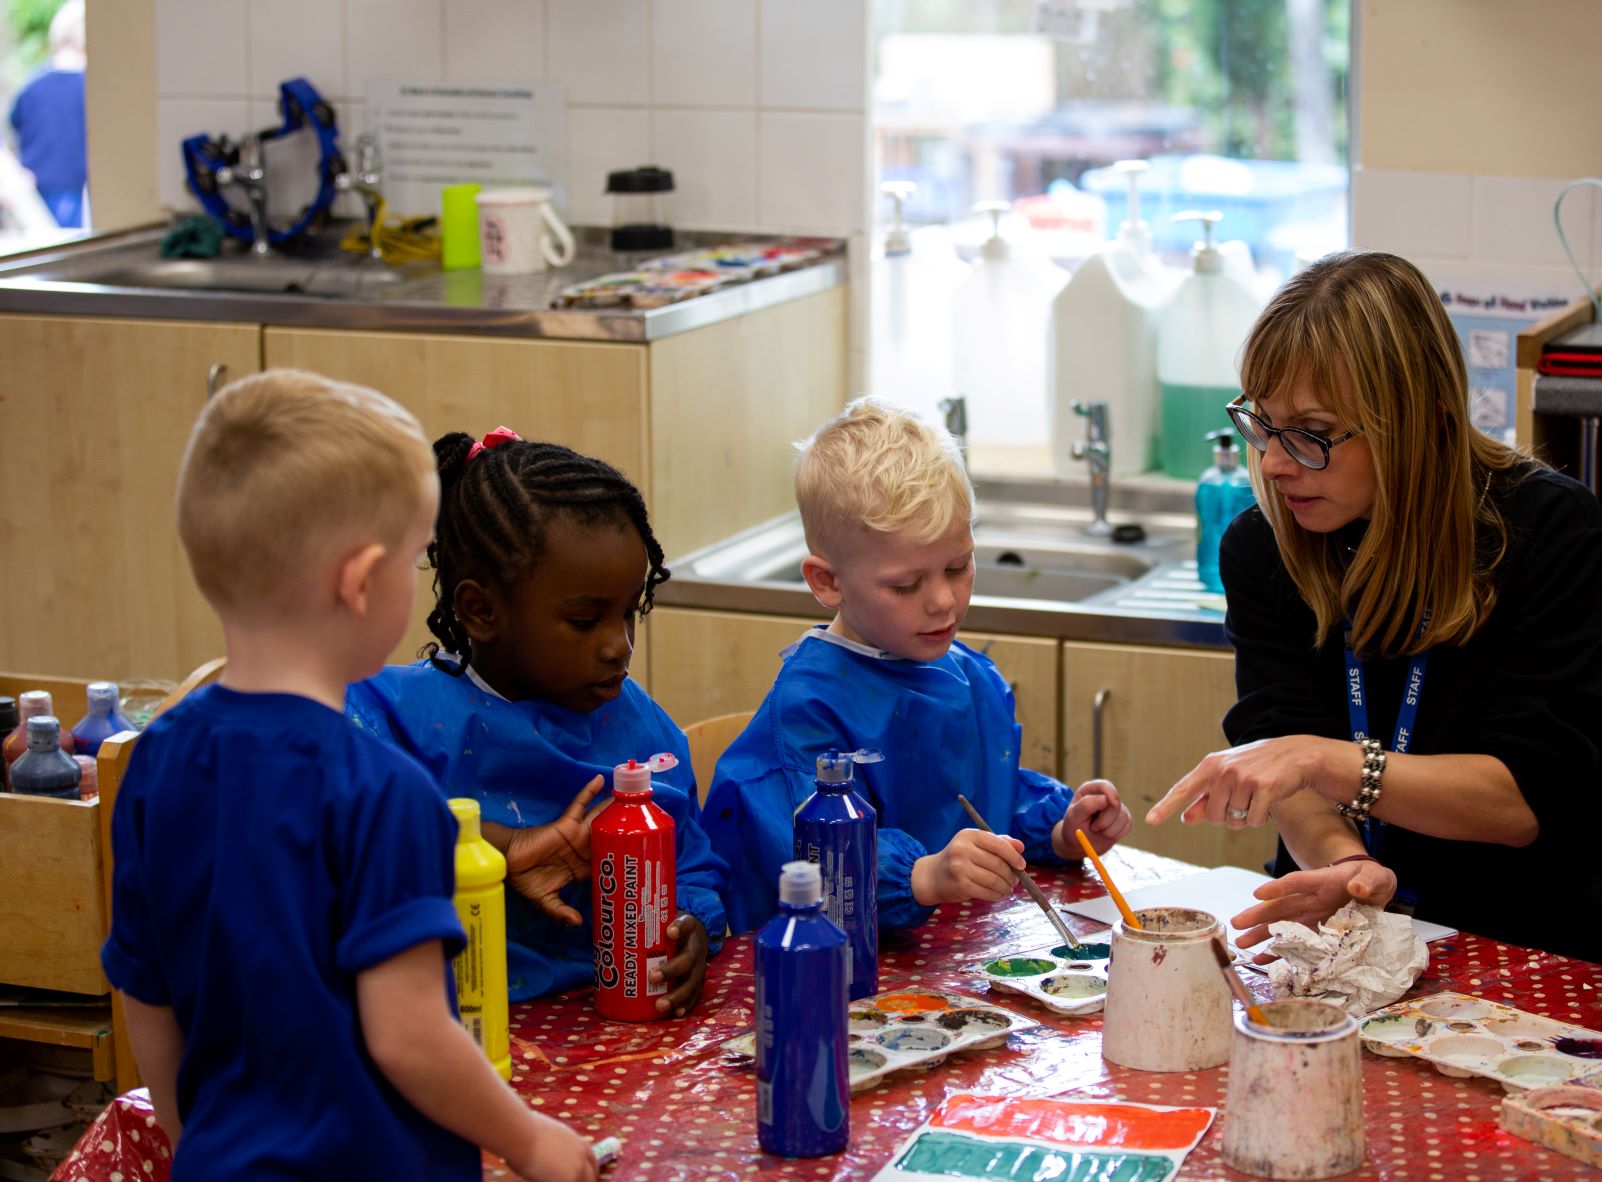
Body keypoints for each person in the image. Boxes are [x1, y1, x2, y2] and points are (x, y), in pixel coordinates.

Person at [101, 372, 600, 1180]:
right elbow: (409, 1036)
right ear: (360, 580)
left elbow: (146, 991)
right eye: (412, 560)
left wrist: (195, 1142)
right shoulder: (385, 790)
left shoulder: (155, 758)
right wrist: (528, 1137)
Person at [1145, 251, 1602, 964]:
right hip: (1345, 929)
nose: (1277, 463)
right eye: (1263, 423)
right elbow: (1284, 760)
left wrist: (1326, 760)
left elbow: (1523, 804)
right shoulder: (1264, 544)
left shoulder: (1547, 530)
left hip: (1529, 935)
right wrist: (1345, 865)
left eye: (1312, 433)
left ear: (1422, 421)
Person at [704, 398, 1133, 934]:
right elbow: (817, 863)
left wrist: (1061, 830)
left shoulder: (966, 674)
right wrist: (924, 876)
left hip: (950, 958)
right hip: (827, 974)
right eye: (906, 585)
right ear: (827, 582)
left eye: (958, 567)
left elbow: (985, 798)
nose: (943, 603)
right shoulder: (808, 709)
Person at [346, 427, 726, 1012]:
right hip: (454, 1037)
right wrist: (502, 846)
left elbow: (693, 864)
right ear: (481, 610)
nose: (619, 646)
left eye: (629, 613)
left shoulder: (643, 729)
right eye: (584, 621)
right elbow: (350, 845)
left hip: (618, 1026)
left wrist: (690, 926)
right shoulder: (387, 720)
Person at [9, 0, 86, 228]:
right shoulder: (93, 89)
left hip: (40, 193)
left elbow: (13, 128)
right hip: (69, 192)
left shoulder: (31, 85)